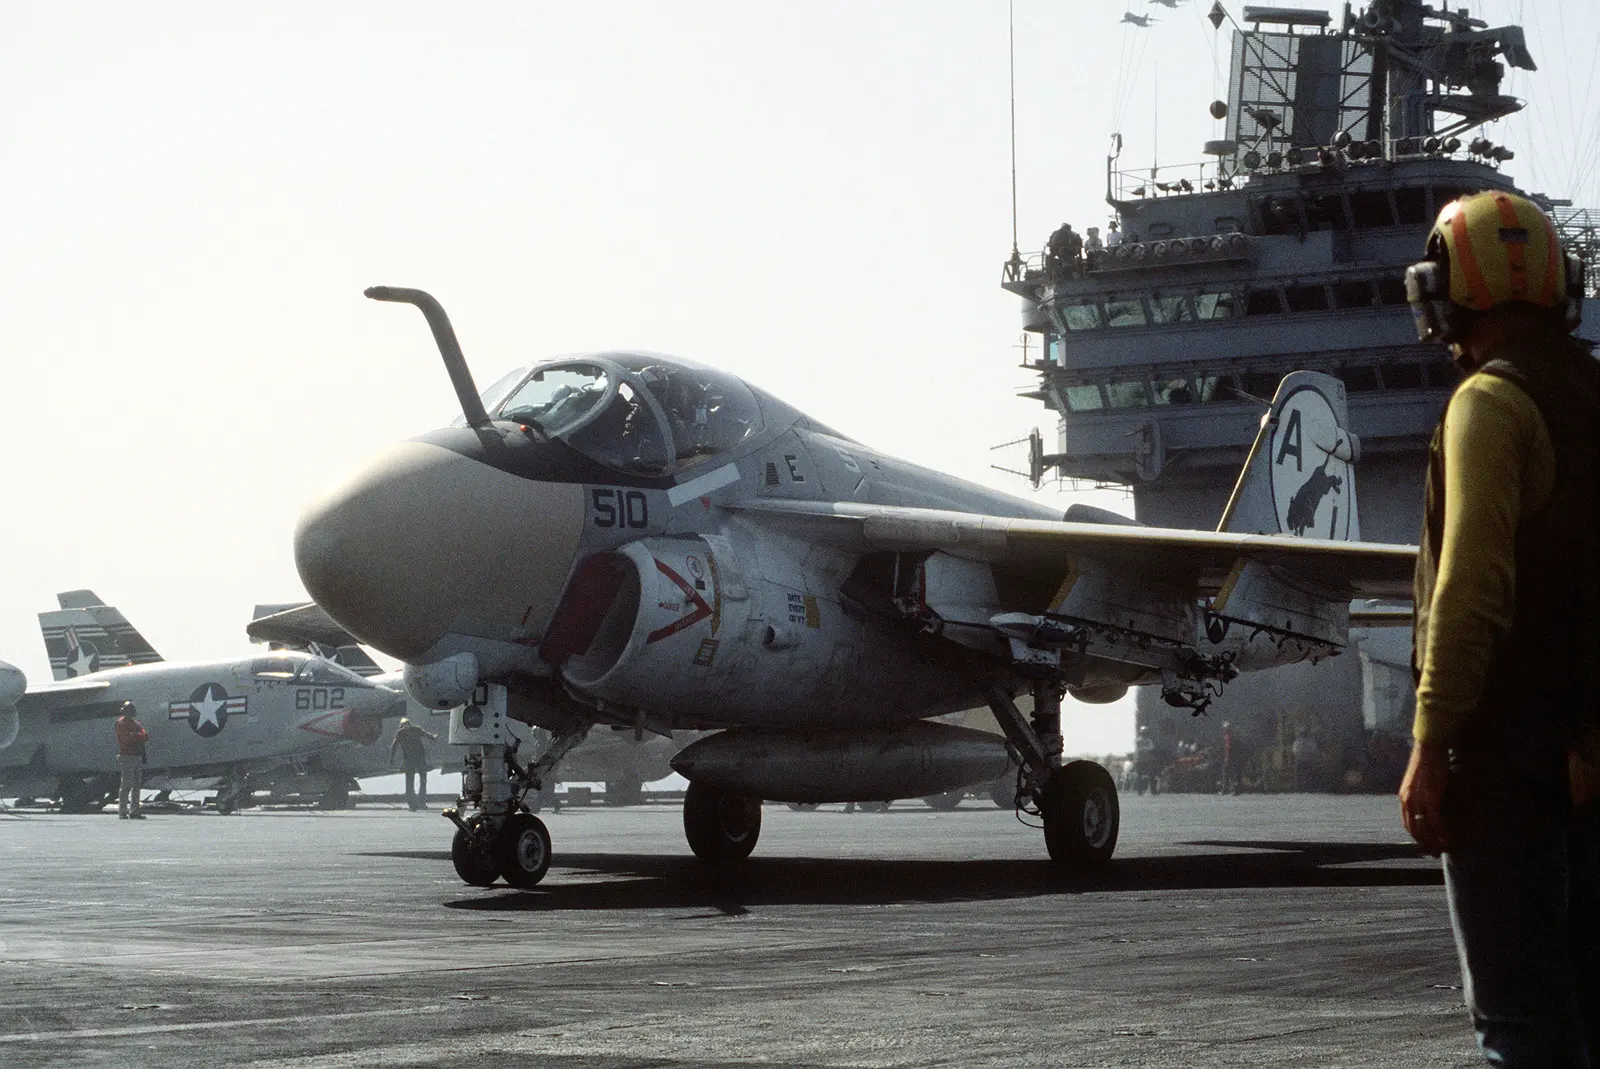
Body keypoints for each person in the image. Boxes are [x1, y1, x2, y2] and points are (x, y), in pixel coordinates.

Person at [1399, 189, 1600, 1066]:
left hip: (1508, 769)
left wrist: (1431, 742)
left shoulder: (1488, 402)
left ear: (1449, 291)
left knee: (1518, 1024)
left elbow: (1470, 589)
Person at [389, 717, 439, 811]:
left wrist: (433, 737)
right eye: (404, 725)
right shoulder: (404, 732)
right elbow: (394, 746)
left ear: (408, 724)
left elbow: (427, 735)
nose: (406, 727)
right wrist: (392, 758)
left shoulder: (411, 730)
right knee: (412, 783)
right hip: (412, 759)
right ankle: (415, 804)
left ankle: (419, 803)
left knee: (419, 781)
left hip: (417, 758)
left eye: (406, 725)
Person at [114, 701, 148, 819]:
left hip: (136, 756)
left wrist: (135, 735)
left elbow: (145, 736)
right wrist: (136, 735)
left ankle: (134, 811)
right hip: (126, 756)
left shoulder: (135, 724)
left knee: (136, 785)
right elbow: (125, 739)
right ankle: (122, 811)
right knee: (126, 785)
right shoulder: (120, 723)